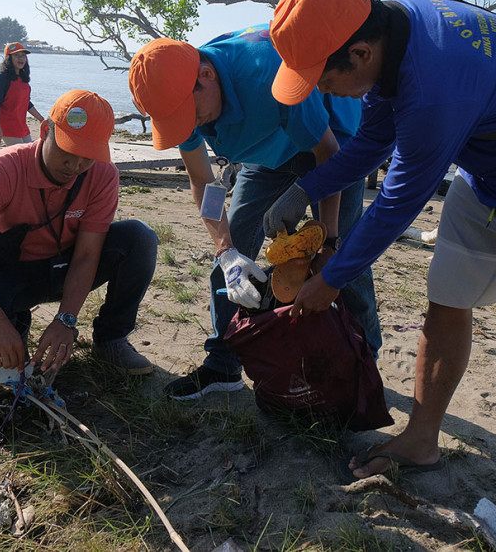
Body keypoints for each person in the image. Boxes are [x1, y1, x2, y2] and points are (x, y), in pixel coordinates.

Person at [263, 0, 496, 551]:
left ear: (360, 53)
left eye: (325, 80)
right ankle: (422, 437)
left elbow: (397, 203)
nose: (327, 92)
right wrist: (305, 188)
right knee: (447, 302)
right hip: (488, 175)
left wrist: (331, 281)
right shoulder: (388, 30)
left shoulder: (434, 81)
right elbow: (372, 143)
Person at [129, 29, 379, 401]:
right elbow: (203, 181)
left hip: (334, 144)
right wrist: (226, 249)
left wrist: (326, 241)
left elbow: (328, 154)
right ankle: (222, 366)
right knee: (232, 256)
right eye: (179, 121)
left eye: (191, 114)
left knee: (344, 262)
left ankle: (363, 360)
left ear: (207, 76)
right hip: (267, 156)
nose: (192, 125)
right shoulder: (175, 96)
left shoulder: (269, 74)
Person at [0, 89, 158, 375]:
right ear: (44, 130)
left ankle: (111, 338)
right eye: (68, 150)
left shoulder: (103, 174)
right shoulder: (3, 169)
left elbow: (88, 254)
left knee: (139, 238)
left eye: (88, 156)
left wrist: (66, 320)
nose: (76, 165)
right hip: (10, 272)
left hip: (65, 265)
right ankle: (13, 321)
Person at [0, 42, 44, 146]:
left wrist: (42, 119)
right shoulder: (1, 78)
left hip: (22, 127)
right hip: (7, 127)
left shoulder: (23, 79)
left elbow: (27, 103)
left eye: (23, 55)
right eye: (16, 55)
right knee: (22, 156)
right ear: (8, 58)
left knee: (29, 155)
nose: (21, 58)